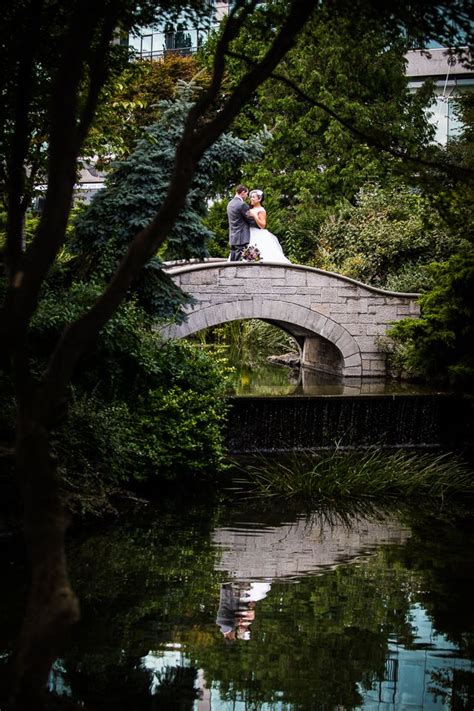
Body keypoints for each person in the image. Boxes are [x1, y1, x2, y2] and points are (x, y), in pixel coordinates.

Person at [246, 189, 291, 263]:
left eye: (253, 197)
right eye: (251, 197)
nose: (251, 198)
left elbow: (263, 225)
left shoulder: (261, 210)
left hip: (257, 233)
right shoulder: (251, 209)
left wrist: (255, 216)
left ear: (259, 199)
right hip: (248, 232)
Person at [227, 184, 255, 261]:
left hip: (233, 237)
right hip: (241, 237)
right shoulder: (242, 204)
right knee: (238, 264)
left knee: (232, 261)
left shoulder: (229, 204)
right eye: (247, 194)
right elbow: (251, 219)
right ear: (243, 192)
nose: (247, 196)